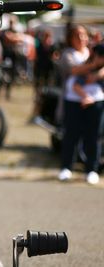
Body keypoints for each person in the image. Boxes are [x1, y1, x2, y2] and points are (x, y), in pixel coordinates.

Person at [58, 25, 104, 184]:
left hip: (96, 98)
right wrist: (94, 65)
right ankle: (66, 167)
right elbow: (74, 70)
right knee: (71, 134)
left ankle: (91, 169)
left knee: (94, 135)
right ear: (70, 38)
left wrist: (97, 73)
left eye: (83, 35)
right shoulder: (67, 54)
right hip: (73, 99)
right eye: (77, 35)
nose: (81, 38)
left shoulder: (93, 50)